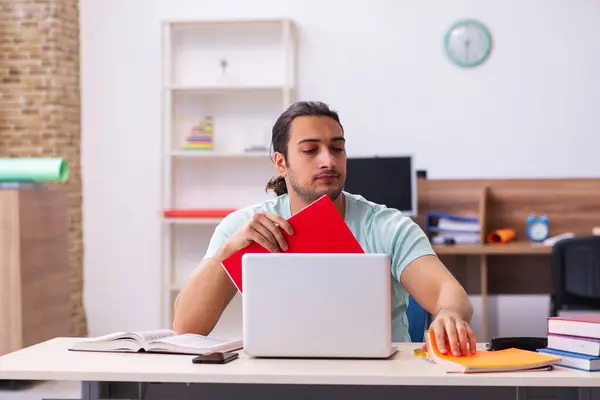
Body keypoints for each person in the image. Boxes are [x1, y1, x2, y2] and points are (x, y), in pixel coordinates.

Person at [173, 101, 477, 356]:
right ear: (281, 163)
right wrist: (230, 250)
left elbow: (449, 293)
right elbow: (187, 327)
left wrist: (450, 314)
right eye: (310, 150)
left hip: (377, 380)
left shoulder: (387, 226)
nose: (328, 161)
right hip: (277, 379)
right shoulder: (244, 227)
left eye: (337, 149)